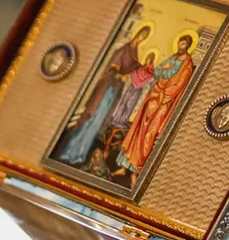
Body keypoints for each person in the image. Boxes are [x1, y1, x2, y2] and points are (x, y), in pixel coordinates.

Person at [56, 26, 149, 167]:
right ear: (138, 33)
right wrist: (119, 75)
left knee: (98, 122)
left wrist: (129, 73)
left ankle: (80, 154)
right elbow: (113, 66)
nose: (141, 38)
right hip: (107, 88)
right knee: (92, 118)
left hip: (115, 89)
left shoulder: (134, 53)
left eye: (144, 37)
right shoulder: (124, 49)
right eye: (141, 34)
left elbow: (131, 68)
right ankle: (70, 151)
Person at [122, 33, 197, 173]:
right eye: (180, 43)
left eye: (183, 44)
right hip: (154, 95)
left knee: (151, 131)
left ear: (188, 46)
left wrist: (163, 94)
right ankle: (130, 160)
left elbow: (179, 85)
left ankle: (140, 162)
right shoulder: (173, 58)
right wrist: (164, 69)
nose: (180, 46)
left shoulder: (187, 65)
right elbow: (157, 71)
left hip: (164, 101)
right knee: (141, 126)